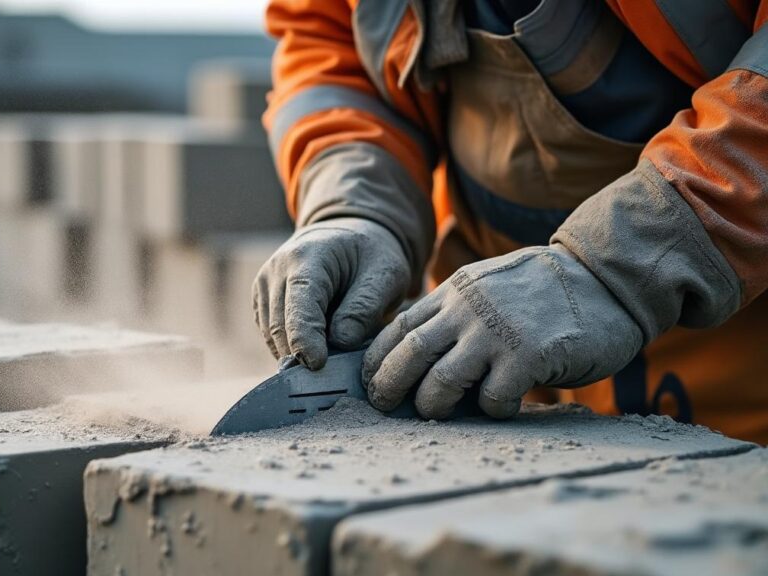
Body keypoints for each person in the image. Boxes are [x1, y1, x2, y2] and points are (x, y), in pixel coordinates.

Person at [253, 0, 768, 444]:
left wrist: (623, 262)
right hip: (489, 339)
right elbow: (331, 42)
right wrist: (356, 202)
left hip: (739, 366)